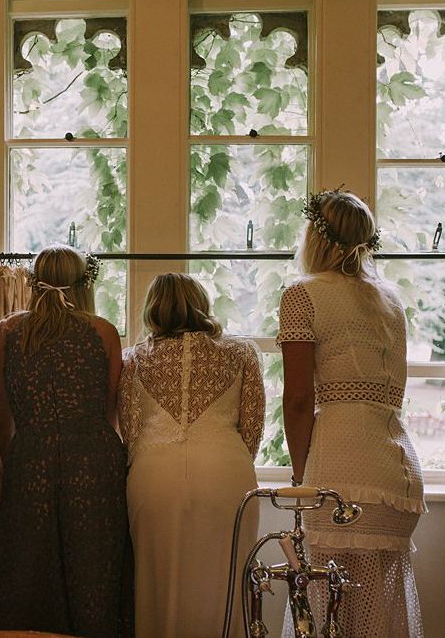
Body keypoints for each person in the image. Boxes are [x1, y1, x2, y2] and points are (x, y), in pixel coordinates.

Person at [278, 188, 426, 637]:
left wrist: (301, 476)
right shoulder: (390, 300)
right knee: (374, 614)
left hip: (341, 467)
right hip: (396, 471)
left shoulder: (303, 295)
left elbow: (300, 399)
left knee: (328, 611)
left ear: (316, 237)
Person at [0, 245, 132, 637]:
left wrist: (12, 464)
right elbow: (109, 413)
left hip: (30, 457)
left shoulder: (5, 331)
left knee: (28, 573)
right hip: (93, 460)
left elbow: (4, 416)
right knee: (94, 572)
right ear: (85, 282)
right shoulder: (102, 330)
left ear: (33, 282)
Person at [118, 273, 266, 638]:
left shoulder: (134, 359)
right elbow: (252, 427)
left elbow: (130, 431)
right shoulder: (241, 352)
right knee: (226, 580)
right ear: (201, 303)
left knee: (157, 581)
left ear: (153, 308)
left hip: (154, 473)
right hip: (226, 470)